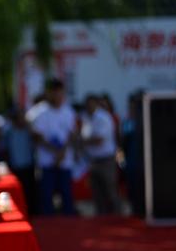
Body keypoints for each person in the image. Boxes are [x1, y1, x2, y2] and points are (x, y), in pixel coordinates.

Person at [26, 79, 76, 216]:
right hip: (47, 161)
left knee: (66, 195)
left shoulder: (68, 111)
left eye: (61, 93)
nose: (58, 97)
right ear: (49, 93)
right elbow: (36, 135)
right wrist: (54, 151)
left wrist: (62, 152)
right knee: (46, 196)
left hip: (65, 161)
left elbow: (71, 134)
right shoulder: (39, 112)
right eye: (55, 93)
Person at [80, 94, 120, 215]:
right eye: (87, 105)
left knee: (110, 190)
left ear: (96, 104)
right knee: (97, 192)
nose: (89, 107)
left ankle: (117, 216)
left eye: (91, 104)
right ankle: (101, 217)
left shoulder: (103, 117)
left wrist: (83, 141)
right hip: (93, 160)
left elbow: (99, 140)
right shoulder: (87, 118)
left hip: (106, 160)